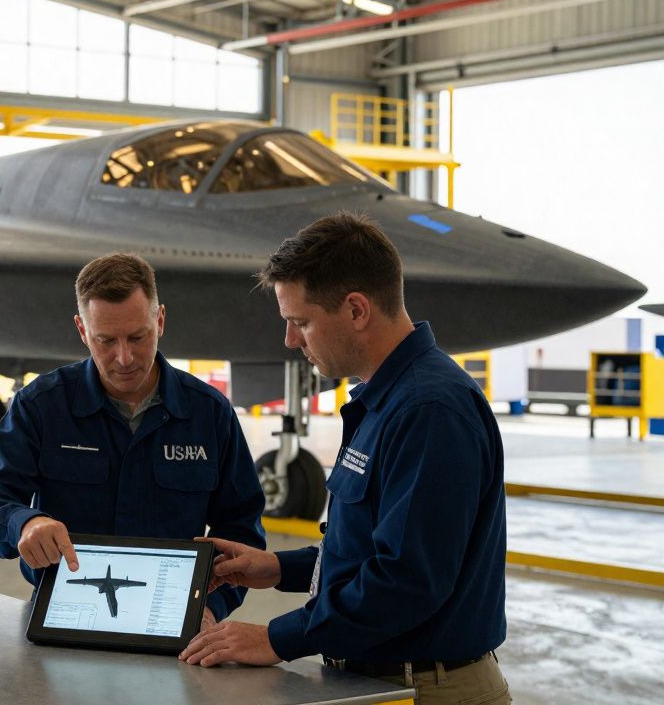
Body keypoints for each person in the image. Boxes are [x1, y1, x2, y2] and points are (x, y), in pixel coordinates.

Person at [180, 213, 510, 704]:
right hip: (382, 681)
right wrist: (277, 567)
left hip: (426, 689)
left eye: (301, 322)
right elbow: (375, 550)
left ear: (356, 310)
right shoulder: (388, 400)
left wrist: (277, 638)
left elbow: (407, 580)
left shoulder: (428, 410)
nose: (292, 340)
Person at [0, 252, 266, 625]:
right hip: (64, 619)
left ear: (160, 320)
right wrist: (23, 523)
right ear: (81, 330)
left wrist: (209, 608)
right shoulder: (42, 406)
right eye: (105, 340)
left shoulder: (209, 414)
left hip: (171, 621)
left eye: (138, 337)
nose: (124, 358)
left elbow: (242, 530)